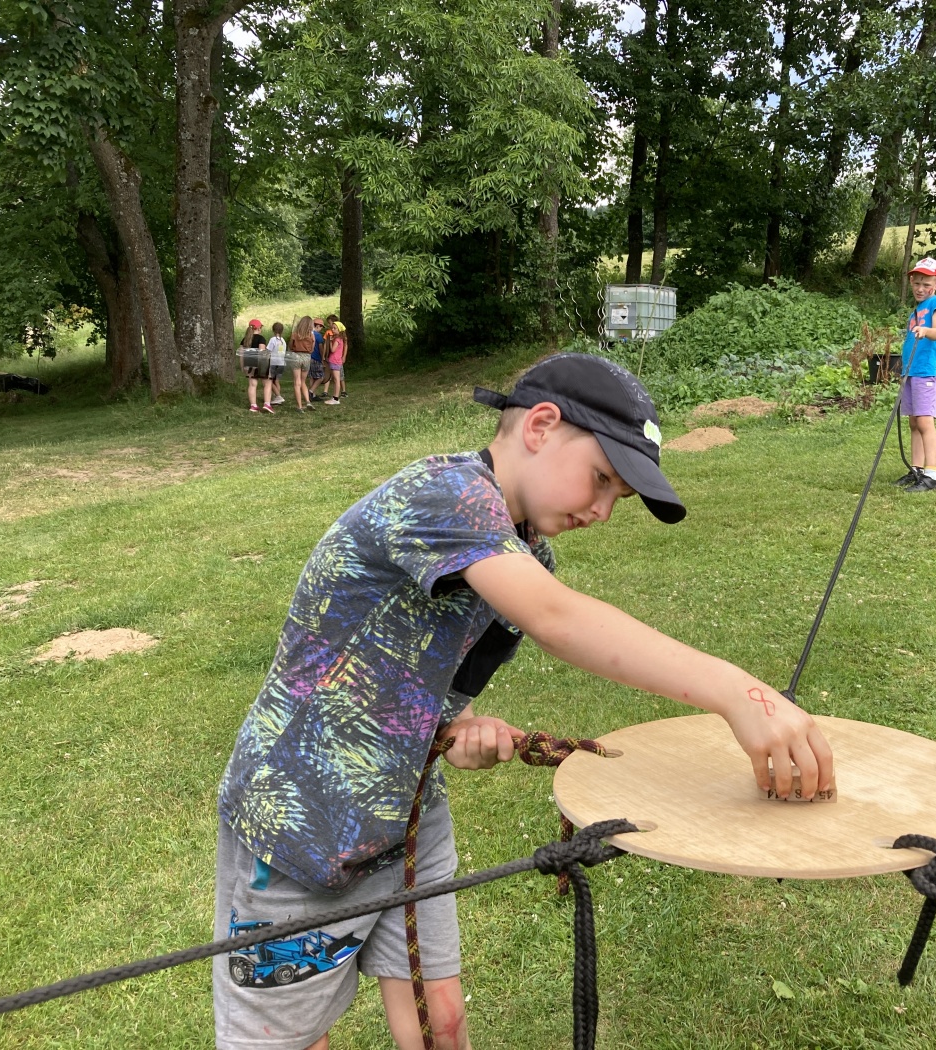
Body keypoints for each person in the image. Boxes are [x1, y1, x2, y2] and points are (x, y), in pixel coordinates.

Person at [213, 353, 835, 1050]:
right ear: (540, 426)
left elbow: (433, 688)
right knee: (291, 1040)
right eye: (601, 478)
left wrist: (457, 730)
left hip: (407, 812)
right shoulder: (445, 494)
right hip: (297, 830)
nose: (602, 511)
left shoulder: (526, 555)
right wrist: (739, 694)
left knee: (442, 1023)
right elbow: (557, 618)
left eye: (618, 498)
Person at [894, 257, 936, 492]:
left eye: (926, 284)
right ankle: (916, 470)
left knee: (925, 422)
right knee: (914, 422)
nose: (920, 288)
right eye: (917, 283)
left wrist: (925, 330)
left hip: (926, 372)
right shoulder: (915, 311)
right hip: (912, 373)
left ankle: (931, 475)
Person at [240, 319, 273, 414]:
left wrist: (242, 366)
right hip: (260, 364)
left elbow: (241, 354)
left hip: (249, 364)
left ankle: (253, 406)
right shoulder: (261, 339)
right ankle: (267, 404)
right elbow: (262, 354)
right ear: (258, 328)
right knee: (267, 383)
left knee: (252, 384)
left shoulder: (245, 340)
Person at [288, 316, 316, 411]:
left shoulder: (295, 334)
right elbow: (312, 349)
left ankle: (299, 406)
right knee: (303, 381)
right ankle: (308, 402)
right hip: (307, 358)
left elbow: (290, 346)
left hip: (296, 357)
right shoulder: (311, 336)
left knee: (297, 382)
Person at [322, 313, 345, 405]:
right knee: (336, 379)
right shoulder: (340, 339)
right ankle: (335, 397)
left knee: (336, 380)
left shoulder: (337, 339)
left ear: (339, 330)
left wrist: (331, 342)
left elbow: (332, 350)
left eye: (335, 328)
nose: (332, 329)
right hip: (335, 361)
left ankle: (335, 398)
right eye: (333, 328)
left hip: (335, 361)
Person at [267, 323, 288, 407]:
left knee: (269, 380)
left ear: (273, 330)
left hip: (273, 362)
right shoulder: (283, 341)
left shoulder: (273, 340)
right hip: (281, 363)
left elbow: (268, 350)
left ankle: (278, 396)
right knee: (276, 380)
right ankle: (277, 398)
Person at [307, 318, 326, 401]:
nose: (321, 329)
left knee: (312, 377)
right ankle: (310, 391)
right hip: (316, 359)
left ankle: (313, 396)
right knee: (320, 377)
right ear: (318, 326)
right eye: (321, 327)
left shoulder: (308, 334)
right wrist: (323, 358)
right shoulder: (318, 335)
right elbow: (321, 348)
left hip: (308, 358)